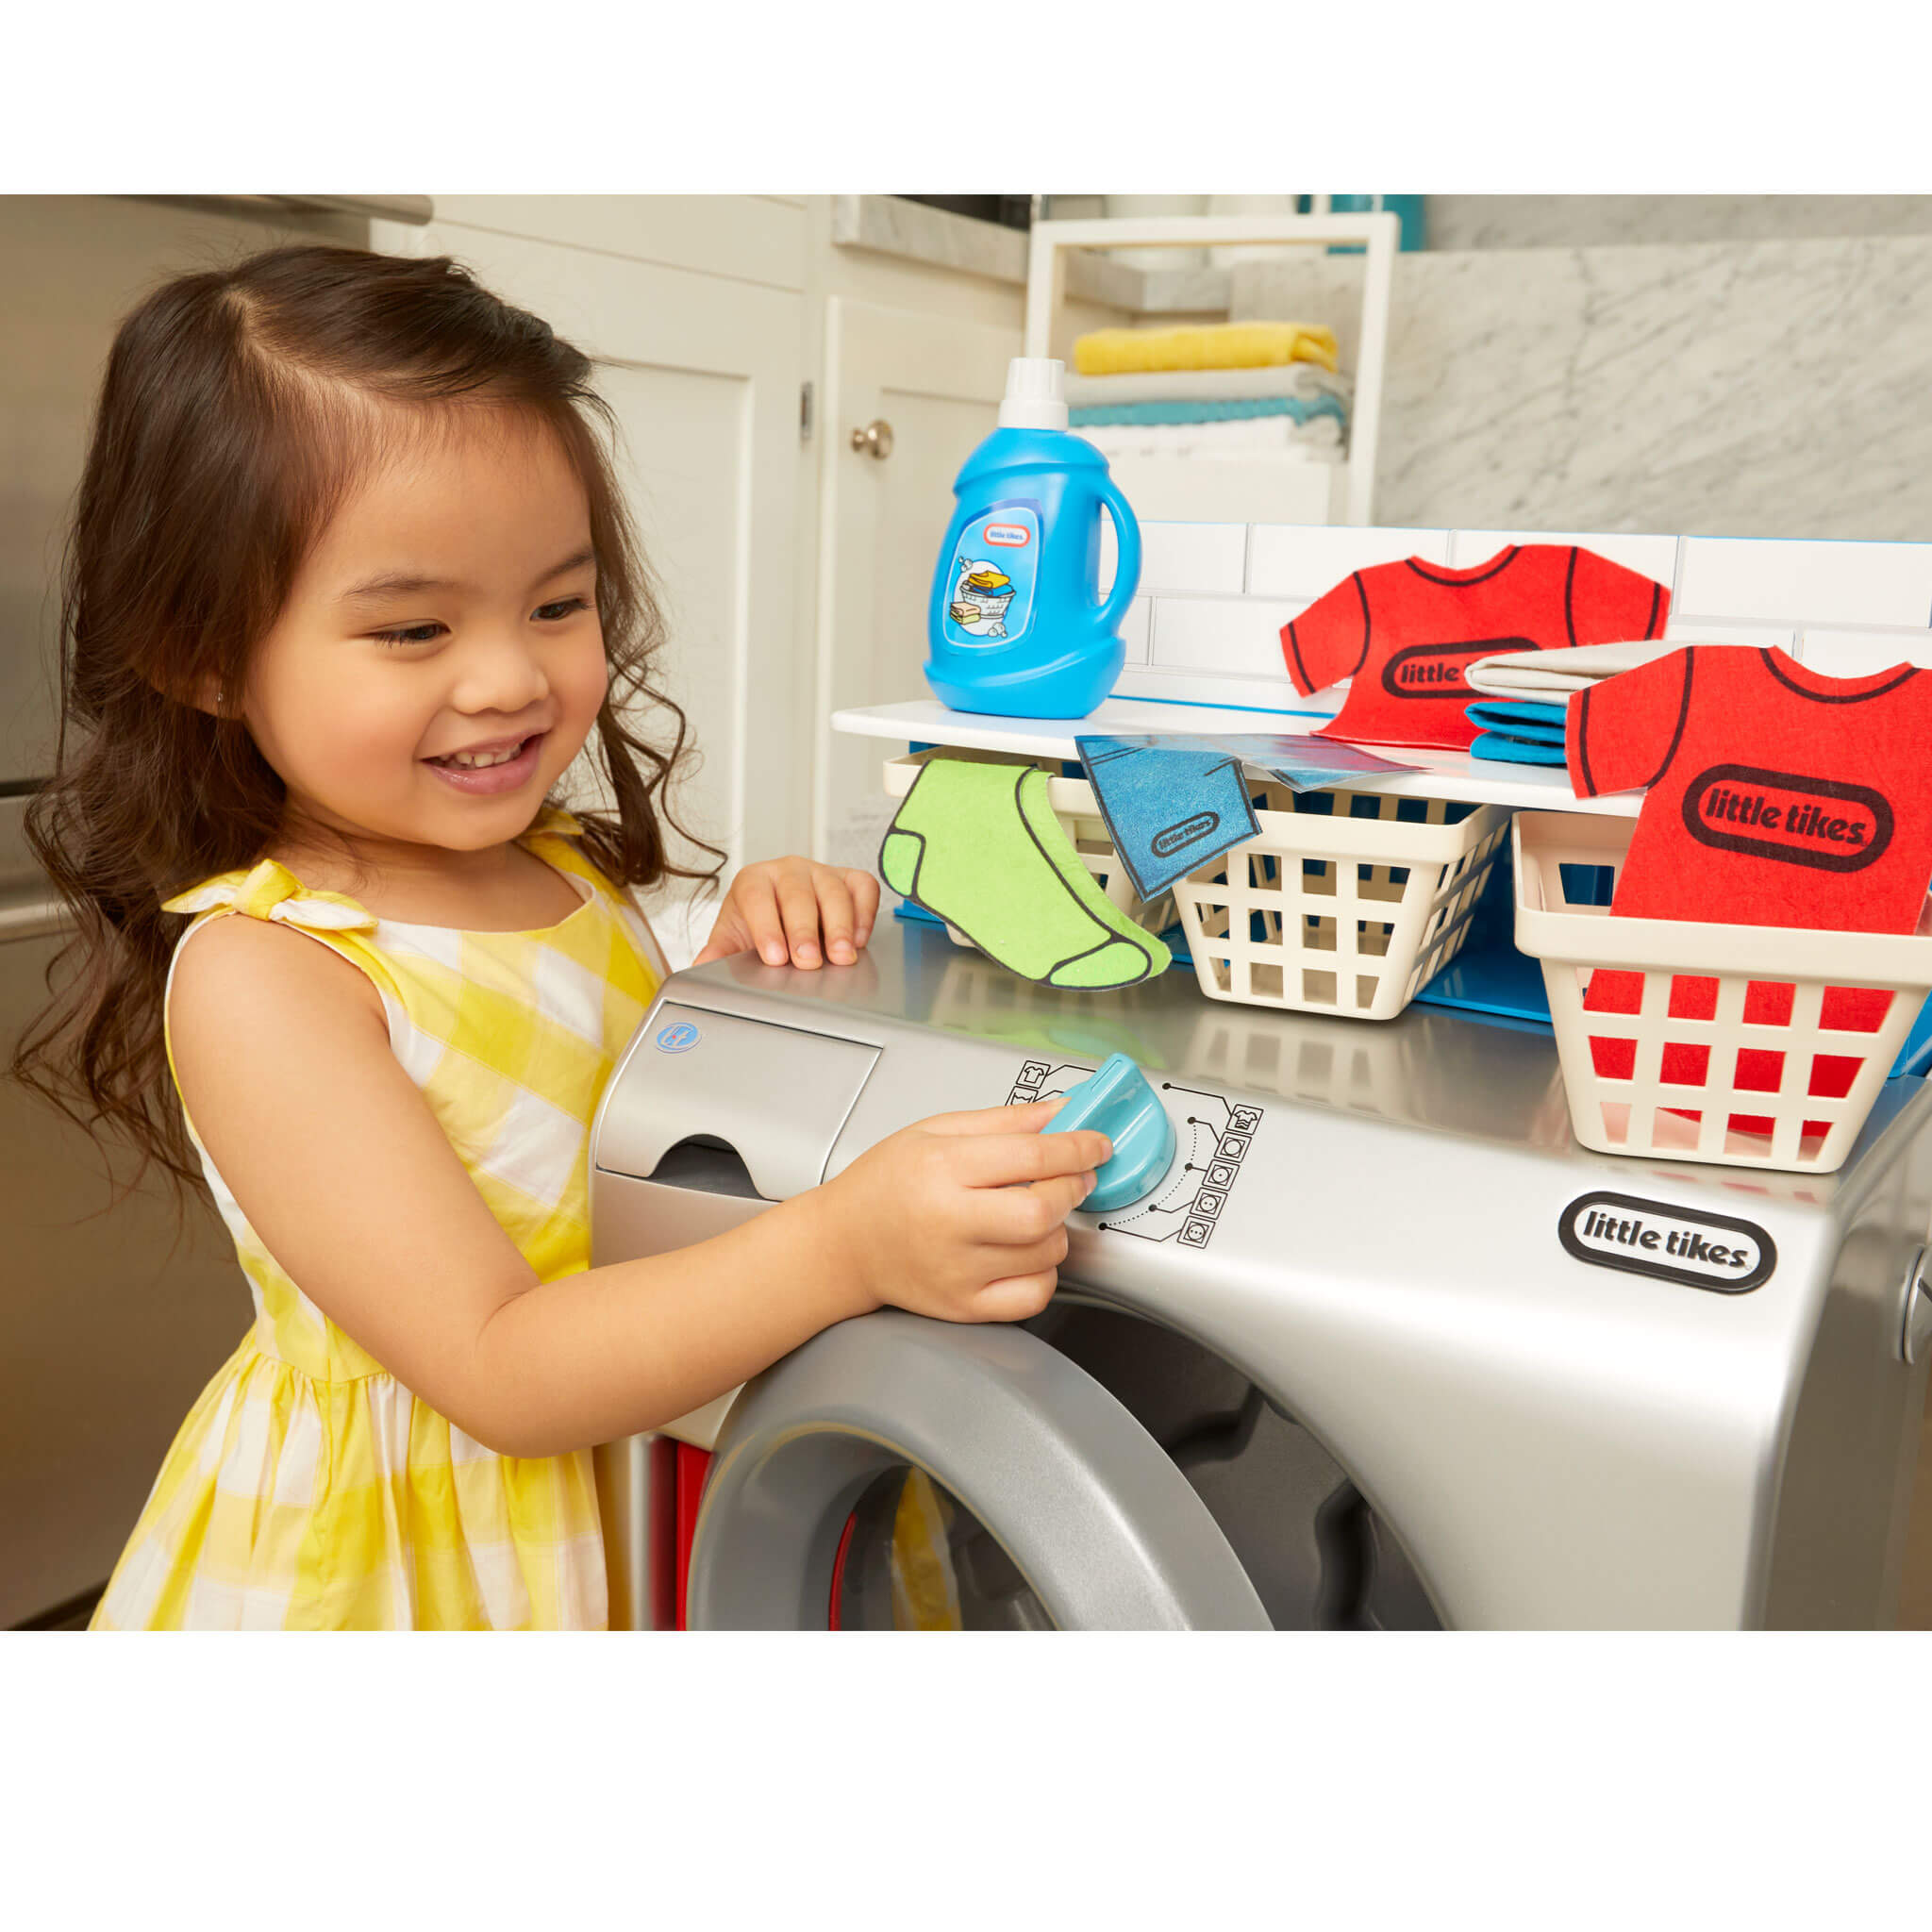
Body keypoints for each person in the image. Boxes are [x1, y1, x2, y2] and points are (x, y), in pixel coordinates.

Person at [10, 245, 1108, 1629]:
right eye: (415, 628)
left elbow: (638, 1095)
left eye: (556, 604)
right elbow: (501, 1369)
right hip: (426, 1565)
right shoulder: (270, 976)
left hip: (650, 1478)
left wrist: (746, 937)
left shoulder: (566, 868)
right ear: (205, 657)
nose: (510, 678)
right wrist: (849, 1248)